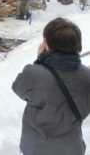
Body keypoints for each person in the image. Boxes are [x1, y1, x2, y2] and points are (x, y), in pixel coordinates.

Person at [12, 17, 90, 155]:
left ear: (49, 44)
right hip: (72, 148)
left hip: (35, 148)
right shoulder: (87, 76)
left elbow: (18, 88)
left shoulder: (33, 73)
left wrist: (40, 58)